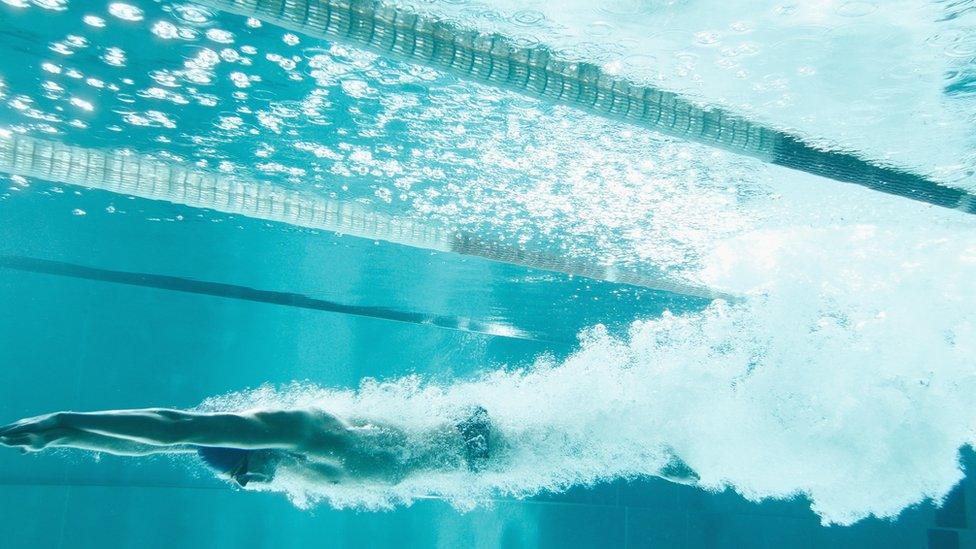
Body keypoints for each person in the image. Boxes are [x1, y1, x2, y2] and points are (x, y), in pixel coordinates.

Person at [0, 406, 494, 489]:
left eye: (246, 475)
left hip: (481, 438)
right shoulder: (291, 456)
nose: (256, 482)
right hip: (473, 458)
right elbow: (151, 449)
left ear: (250, 452)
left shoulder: (299, 433)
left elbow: (175, 428)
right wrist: (64, 439)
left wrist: (66, 418)